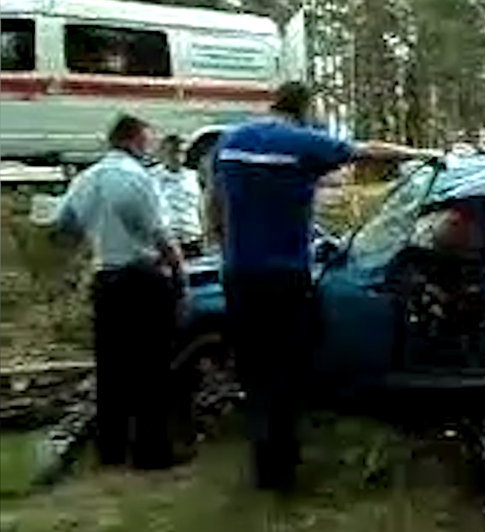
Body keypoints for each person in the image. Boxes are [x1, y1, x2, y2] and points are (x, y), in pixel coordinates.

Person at [209, 81, 437, 491]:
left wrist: (227, 247)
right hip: (284, 276)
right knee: (286, 368)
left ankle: (264, 464)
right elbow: (366, 151)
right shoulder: (302, 143)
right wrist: (421, 154)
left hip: (239, 274)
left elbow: (215, 203)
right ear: (304, 109)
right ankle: (282, 467)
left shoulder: (231, 142)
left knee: (254, 368)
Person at [50, 114, 184, 469]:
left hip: (105, 278)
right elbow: (160, 233)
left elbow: (62, 224)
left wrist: (93, 240)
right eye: (148, 139)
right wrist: (179, 272)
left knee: (111, 368)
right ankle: (151, 450)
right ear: (134, 140)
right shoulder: (138, 178)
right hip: (143, 278)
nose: (150, 145)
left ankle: (111, 449)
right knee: (151, 366)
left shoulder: (86, 179)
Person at [152, 134, 205, 258]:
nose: (177, 157)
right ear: (162, 154)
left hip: (193, 239)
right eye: (172, 152)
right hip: (168, 242)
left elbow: (200, 207)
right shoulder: (151, 178)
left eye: (182, 152)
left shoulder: (193, 177)